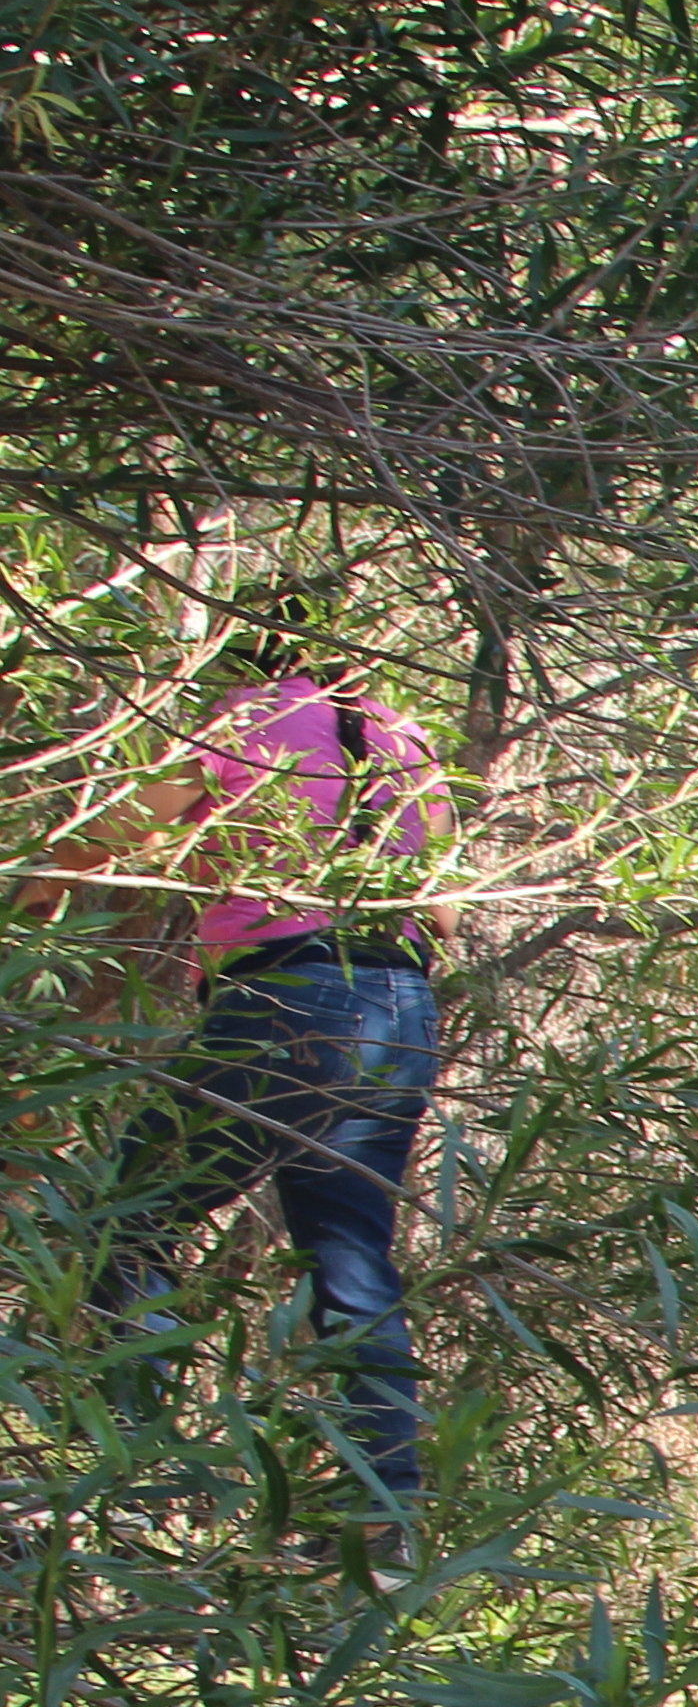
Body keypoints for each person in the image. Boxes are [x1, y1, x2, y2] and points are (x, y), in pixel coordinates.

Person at [22, 619, 451, 1537]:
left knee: (127, 1218)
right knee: (349, 1254)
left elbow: (124, 829)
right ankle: (381, 1511)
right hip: (403, 1005)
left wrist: (39, 887)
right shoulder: (409, 743)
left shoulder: (245, 717)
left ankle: (116, 1470)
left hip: (285, 999)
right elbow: (446, 908)